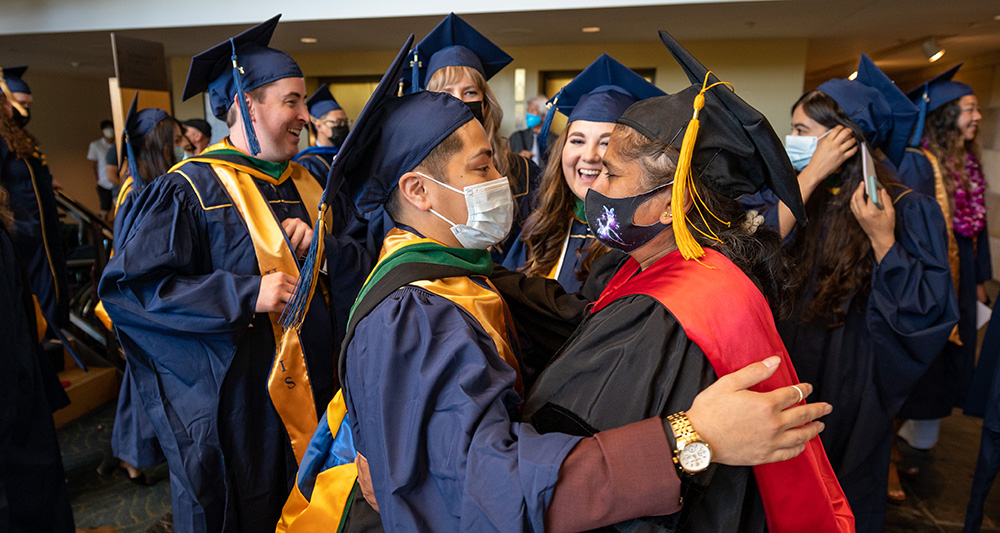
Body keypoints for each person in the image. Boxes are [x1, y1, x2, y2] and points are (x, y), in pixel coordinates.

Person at [282, 31, 843, 532]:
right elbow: (483, 486)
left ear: (673, 201)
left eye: (495, 163)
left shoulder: (463, 276)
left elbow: (572, 322)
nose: (503, 180)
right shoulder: (419, 312)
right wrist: (689, 438)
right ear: (419, 192)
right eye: (482, 168)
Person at [99, 15, 370, 533]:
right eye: (291, 101)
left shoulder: (311, 178)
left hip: (328, 396)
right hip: (243, 414)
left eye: (303, 102)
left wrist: (330, 250)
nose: (305, 116)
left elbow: (366, 258)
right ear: (247, 104)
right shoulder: (189, 191)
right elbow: (133, 291)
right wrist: (245, 293)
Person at [743, 54, 958, 531]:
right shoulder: (798, 192)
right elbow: (751, 252)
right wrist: (812, 174)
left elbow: (926, 310)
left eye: (802, 130)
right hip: (786, 356)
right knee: (775, 482)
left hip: (854, 369)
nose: (792, 140)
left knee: (839, 483)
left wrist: (884, 240)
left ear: (843, 138)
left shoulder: (906, 208)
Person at [503, 54, 663, 293]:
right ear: (561, 149)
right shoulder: (539, 228)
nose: (589, 156)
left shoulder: (646, 243)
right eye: (577, 140)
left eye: (606, 143)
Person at [895, 64, 990, 458]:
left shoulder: (967, 164)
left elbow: (977, 228)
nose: (978, 116)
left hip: (961, 275)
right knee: (921, 368)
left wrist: (980, 278)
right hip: (931, 276)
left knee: (945, 366)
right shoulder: (920, 164)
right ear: (946, 115)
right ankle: (889, 452)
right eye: (969, 108)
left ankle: (910, 443)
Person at [408, 13, 541, 261]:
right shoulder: (411, 179)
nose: (458, 102)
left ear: (485, 102)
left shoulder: (522, 172)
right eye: (445, 93)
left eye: (469, 92)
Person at [0, 66, 70, 334]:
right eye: (21, 104)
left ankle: (55, 333)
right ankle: (46, 335)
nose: (26, 111)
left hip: (40, 224)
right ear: (4, 102)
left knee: (52, 278)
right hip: (21, 226)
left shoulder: (18, 137)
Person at [293, 83, 348, 184]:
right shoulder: (308, 162)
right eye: (338, 122)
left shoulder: (348, 155)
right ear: (318, 126)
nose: (343, 126)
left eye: (345, 122)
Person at [508, 95, 556, 166]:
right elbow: (504, 161)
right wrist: (517, 159)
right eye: (528, 111)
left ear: (544, 116)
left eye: (532, 110)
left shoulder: (555, 140)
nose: (528, 114)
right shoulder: (516, 137)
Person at [88, 118, 116, 219]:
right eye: (107, 128)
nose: (109, 130)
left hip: (118, 182)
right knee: (105, 209)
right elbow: (93, 164)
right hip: (104, 182)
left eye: (111, 128)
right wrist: (97, 181)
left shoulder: (118, 144)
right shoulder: (96, 145)